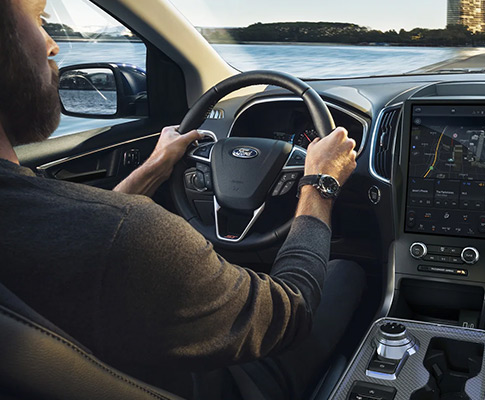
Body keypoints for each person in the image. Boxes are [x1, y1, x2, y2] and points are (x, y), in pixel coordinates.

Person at [0, 0, 365, 399]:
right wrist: (319, 182)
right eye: (40, 19)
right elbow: (291, 311)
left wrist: (154, 169)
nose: (53, 45)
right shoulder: (134, 237)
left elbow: (77, 235)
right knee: (347, 270)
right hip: (226, 384)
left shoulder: (44, 219)